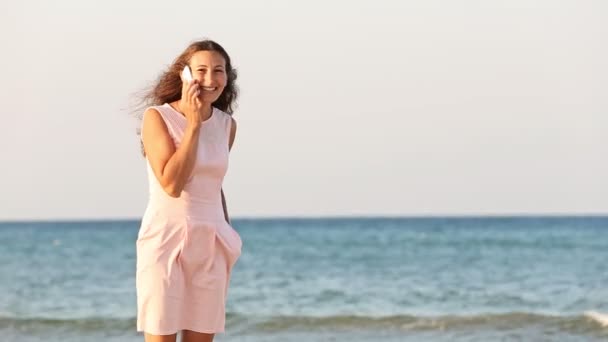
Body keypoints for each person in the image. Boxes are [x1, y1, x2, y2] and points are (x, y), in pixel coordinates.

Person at [135, 39, 243, 342]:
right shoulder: (157, 118)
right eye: (201, 70)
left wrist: (228, 234)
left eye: (218, 71)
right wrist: (193, 126)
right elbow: (172, 184)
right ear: (184, 75)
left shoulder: (227, 125)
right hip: (166, 240)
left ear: (227, 77)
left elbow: (214, 184)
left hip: (211, 242)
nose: (210, 79)